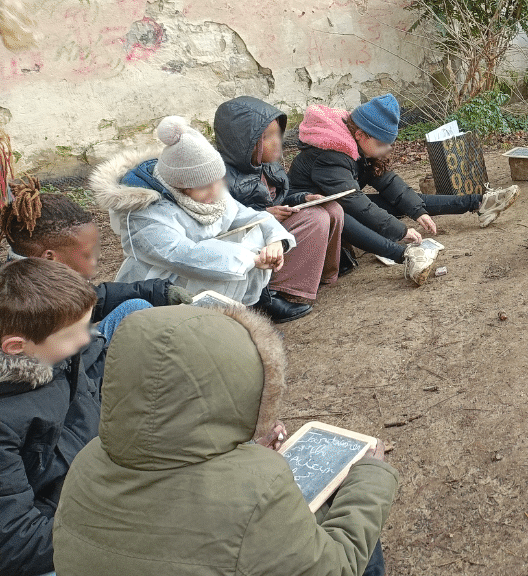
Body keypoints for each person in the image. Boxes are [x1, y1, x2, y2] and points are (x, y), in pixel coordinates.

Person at [53, 302, 400, 576]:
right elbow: (334, 567)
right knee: (342, 523)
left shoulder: (87, 459)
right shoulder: (258, 488)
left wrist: (237, 449)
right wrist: (370, 478)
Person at [288, 94, 519, 286]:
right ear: (360, 136)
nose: (387, 149)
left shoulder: (356, 144)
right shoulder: (332, 155)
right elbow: (354, 203)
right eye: (382, 144)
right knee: (344, 214)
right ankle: (404, 256)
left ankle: (479, 203)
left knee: (402, 201)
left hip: (342, 202)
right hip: (312, 214)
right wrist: (399, 232)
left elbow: (390, 184)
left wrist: (417, 211)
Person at [90, 116, 304, 322]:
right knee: (224, 259)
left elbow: (248, 215)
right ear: (182, 187)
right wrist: (251, 259)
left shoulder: (208, 190)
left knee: (254, 230)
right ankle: (209, 326)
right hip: (162, 287)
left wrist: (275, 241)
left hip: (209, 272)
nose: (216, 191)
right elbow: (183, 255)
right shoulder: (144, 213)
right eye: (206, 186)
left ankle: (232, 316)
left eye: (217, 181)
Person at [0, 258, 108, 576]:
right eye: (75, 333)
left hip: (84, 485)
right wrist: (117, 524)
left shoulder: (53, 355)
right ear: (16, 347)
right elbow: (17, 546)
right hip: (48, 531)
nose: (87, 339)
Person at [1, 177, 191, 324]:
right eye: (88, 254)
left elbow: (96, 297)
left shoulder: (39, 280)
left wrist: (157, 292)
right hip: (73, 368)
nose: (96, 259)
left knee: (137, 306)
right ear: (51, 258)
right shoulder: (30, 307)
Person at [215, 96, 346, 307]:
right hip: (254, 241)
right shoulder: (221, 176)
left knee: (332, 208)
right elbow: (227, 222)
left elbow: (281, 198)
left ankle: (321, 274)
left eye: (278, 134)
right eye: (268, 136)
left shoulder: (268, 165)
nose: (277, 142)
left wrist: (304, 198)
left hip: (274, 228)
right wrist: (266, 214)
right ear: (244, 141)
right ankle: (286, 290)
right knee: (315, 218)